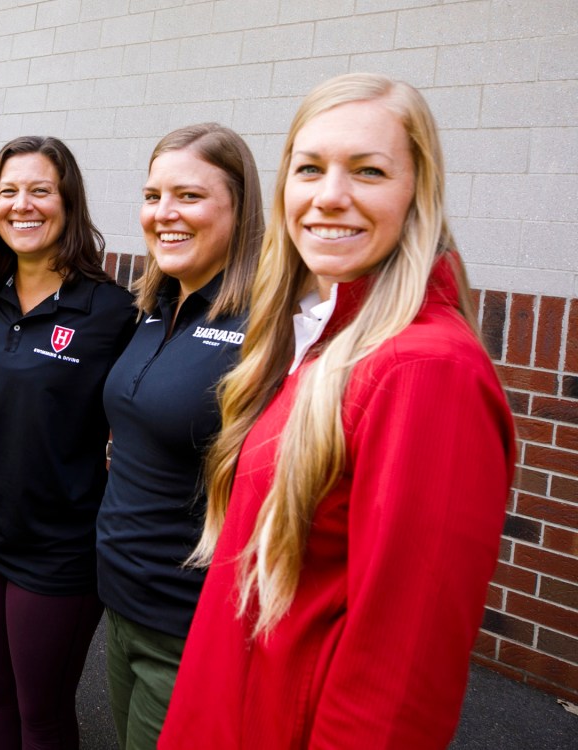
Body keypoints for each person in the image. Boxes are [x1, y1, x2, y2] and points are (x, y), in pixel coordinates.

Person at [158, 73, 516, 749]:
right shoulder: (317, 339)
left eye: (369, 170)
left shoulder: (425, 372)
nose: (330, 197)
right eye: (310, 168)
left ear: (418, 194)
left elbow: (399, 679)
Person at [0, 135, 137, 750]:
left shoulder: (111, 310)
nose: (22, 205)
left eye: (40, 190)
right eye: (8, 191)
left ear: (68, 202)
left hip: (59, 552)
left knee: (42, 713)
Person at [96, 123, 263, 750]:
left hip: (189, 624)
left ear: (240, 209)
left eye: (189, 196)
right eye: (152, 195)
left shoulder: (266, 326)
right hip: (122, 603)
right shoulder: (156, 306)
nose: (164, 214)